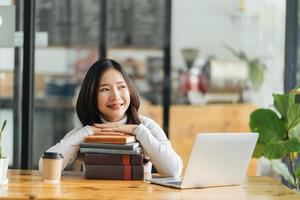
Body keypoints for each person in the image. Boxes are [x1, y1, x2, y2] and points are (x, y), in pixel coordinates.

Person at [39, 59, 183, 177]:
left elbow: (174, 170)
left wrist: (137, 130)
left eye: (121, 87)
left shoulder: (145, 126)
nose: (116, 96)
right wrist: (87, 132)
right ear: (91, 96)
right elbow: (44, 169)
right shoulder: (86, 131)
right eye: (105, 89)